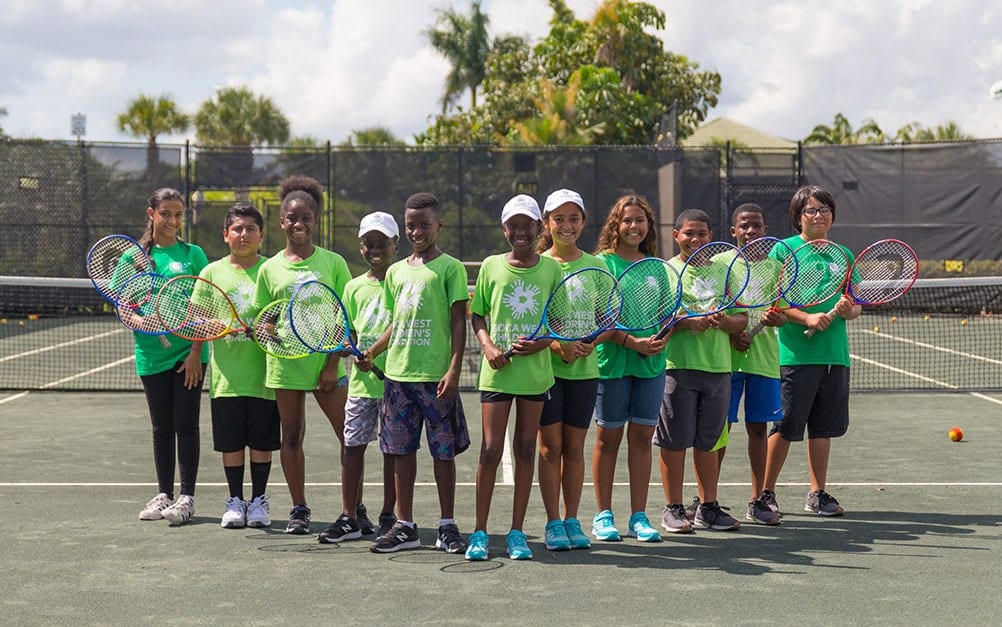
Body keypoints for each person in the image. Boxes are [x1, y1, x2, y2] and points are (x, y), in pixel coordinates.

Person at [360, 192, 471, 554]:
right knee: (401, 452)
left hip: (435, 378)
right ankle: (405, 525)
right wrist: (374, 350)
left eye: (424, 224)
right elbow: (397, 322)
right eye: (411, 225)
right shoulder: (394, 272)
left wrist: (454, 368)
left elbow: (458, 322)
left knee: (443, 453)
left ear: (439, 225)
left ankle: (446, 525)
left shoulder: (450, 268)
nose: (417, 231)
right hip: (398, 378)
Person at [251, 175, 354, 536]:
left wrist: (330, 363)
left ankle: (351, 510)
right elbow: (264, 318)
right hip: (285, 366)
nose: (298, 224)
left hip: (326, 366)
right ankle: (299, 509)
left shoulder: (334, 263)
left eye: (305, 218)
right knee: (291, 435)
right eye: (292, 218)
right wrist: (265, 332)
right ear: (282, 222)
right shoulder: (269, 269)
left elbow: (345, 318)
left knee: (349, 435)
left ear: (315, 221)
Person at [466, 194, 562, 561]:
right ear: (504, 229)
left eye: (528, 225)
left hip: (536, 376)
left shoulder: (551, 269)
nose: (521, 232)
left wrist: (542, 344)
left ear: (539, 228)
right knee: (490, 450)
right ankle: (479, 532)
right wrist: (488, 347)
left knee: (525, 450)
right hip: (497, 376)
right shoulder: (490, 266)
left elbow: (560, 323)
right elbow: (477, 316)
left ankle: (517, 532)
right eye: (514, 225)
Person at [761, 185, 860, 517]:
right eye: (811, 210)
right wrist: (805, 316)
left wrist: (849, 311)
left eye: (824, 209)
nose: (819, 216)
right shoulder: (783, 252)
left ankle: (817, 493)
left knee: (823, 428)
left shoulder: (843, 254)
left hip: (835, 355)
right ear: (798, 217)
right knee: (786, 426)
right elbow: (774, 304)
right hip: (796, 356)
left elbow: (855, 303)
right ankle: (764, 493)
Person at [654, 208, 747, 533]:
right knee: (674, 441)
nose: (695, 239)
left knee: (709, 442)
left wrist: (724, 321)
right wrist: (687, 322)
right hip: (678, 368)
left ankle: (707, 507)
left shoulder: (725, 273)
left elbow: (742, 320)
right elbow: (659, 320)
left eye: (702, 234)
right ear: (675, 234)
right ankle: (674, 508)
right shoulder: (666, 271)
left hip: (718, 369)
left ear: (711, 236)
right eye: (688, 233)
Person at [315, 211, 399, 543]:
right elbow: (345, 330)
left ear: (396, 244)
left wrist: (374, 353)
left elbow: (402, 323)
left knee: (394, 451)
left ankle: (390, 516)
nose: (374, 249)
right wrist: (337, 358)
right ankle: (349, 515)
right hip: (361, 386)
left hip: (397, 384)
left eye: (381, 243)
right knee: (352, 447)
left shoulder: (403, 279)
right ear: (360, 246)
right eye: (368, 243)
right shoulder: (352, 288)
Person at [590, 194, 667, 544]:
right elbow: (597, 316)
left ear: (648, 226)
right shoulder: (601, 263)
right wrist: (630, 342)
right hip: (612, 364)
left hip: (650, 367)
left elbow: (665, 314)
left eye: (640, 220)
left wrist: (661, 336)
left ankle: (638, 516)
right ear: (615, 226)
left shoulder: (656, 267)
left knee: (641, 440)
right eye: (627, 220)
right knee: (608, 440)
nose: (634, 226)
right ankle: (603, 515)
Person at [199, 203, 280, 529]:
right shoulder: (211, 272)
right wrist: (210, 324)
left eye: (250, 229)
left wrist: (269, 329)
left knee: (261, 444)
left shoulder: (272, 270)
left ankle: (258, 501)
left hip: (265, 376)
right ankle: (235, 501)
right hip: (226, 379)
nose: (243, 234)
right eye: (237, 229)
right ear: (226, 235)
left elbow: (281, 314)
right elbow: (195, 317)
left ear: (261, 235)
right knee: (231, 444)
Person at [134, 188, 210, 526]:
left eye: (178, 215)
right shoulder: (134, 259)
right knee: (161, 426)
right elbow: (124, 304)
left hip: (187, 355)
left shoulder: (193, 254)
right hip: (150, 356)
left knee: (186, 423)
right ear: (151, 214)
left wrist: (196, 352)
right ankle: (164, 493)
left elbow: (205, 305)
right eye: (166, 213)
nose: (172, 221)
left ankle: (186, 497)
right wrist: (141, 321)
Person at [536, 189, 605, 551]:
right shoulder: (540, 265)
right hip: (546, 373)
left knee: (575, 447)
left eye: (573, 218)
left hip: (585, 371)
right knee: (550, 448)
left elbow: (608, 317)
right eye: (559, 219)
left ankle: (572, 519)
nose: (567, 225)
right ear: (547, 223)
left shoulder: (598, 265)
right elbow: (529, 320)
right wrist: (557, 345)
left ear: (583, 221)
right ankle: (551, 522)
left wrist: (592, 342)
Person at [720, 203, 785, 526]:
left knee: (758, 429)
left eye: (757, 226)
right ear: (734, 231)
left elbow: (783, 314)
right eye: (744, 226)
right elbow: (713, 309)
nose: (751, 231)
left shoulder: (776, 268)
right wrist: (733, 336)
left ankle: (757, 499)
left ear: (765, 229)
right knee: (719, 430)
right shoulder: (722, 263)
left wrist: (777, 317)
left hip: (764, 360)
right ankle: (708, 501)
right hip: (725, 362)